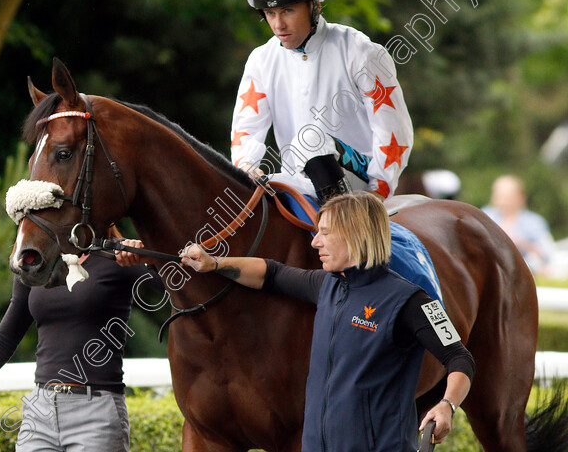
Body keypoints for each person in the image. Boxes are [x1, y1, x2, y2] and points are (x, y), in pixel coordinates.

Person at [181, 192, 474, 451]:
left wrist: (447, 405)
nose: (315, 242)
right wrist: (214, 264)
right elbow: (270, 274)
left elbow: (460, 358)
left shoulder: (411, 300)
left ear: (355, 234)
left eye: (325, 233)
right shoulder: (326, 285)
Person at [0, 234, 162, 451]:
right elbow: (5, 338)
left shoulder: (117, 256)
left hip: (96, 414)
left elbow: (177, 283)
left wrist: (147, 258)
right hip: (40, 414)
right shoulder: (36, 263)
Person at [231, 0, 413, 203]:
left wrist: (379, 189)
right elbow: (245, 131)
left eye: (287, 10)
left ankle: (342, 224)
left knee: (310, 141)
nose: (278, 25)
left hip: (361, 177)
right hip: (298, 178)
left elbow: (393, 130)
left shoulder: (360, 51)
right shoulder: (260, 59)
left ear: (314, 6)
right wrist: (247, 167)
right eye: (270, 14)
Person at [482, 175, 555, 276]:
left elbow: (548, 254)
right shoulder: (485, 216)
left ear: (520, 198)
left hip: (523, 274)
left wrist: (524, 245)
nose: (502, 201)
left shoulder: (534, 222)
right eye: (499, 196)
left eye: (507, 197)